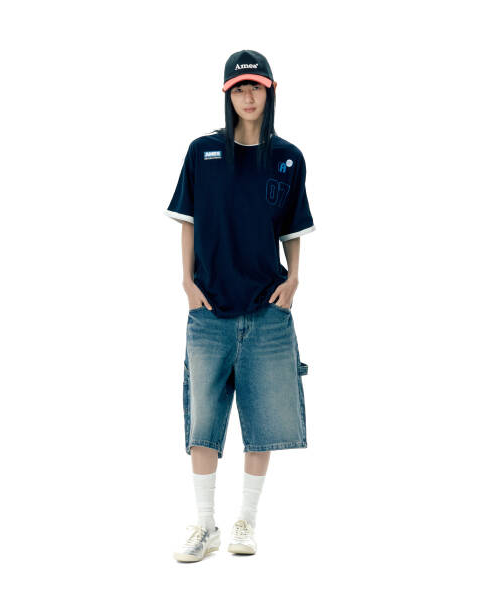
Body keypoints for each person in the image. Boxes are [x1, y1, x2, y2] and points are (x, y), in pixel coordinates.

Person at [166, 50, 316, 562]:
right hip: (209, 309)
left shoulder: (288, 158)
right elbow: (187, 221)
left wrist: (294, 279)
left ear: (270, 92)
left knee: (264, 417)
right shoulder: (202, 152)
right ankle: (204, 524)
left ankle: (245, 523)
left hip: (267, 310)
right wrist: (187, 284)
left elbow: (293, 228)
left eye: (256, 87)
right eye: (239, 88)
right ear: (227, 95)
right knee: (203, 421)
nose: (248, 96)